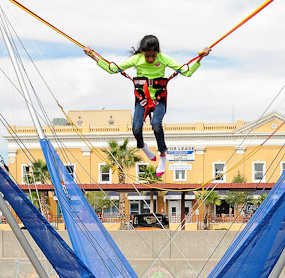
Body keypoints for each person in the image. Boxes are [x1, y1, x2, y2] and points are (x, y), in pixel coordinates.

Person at [85, 36, 210, 177]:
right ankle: (143, 147)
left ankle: (162, 156)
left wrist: (201, 58)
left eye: (153, 56)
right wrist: (93, 56)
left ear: (157, 52)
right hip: (142, 99)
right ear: (142, 52)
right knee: (136, 128)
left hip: (158, 99)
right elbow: (112, 69)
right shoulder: (137, 59)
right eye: (147, 56)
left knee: (156, 124)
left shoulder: (163, 58)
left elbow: (186, 72)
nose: (150, 59)